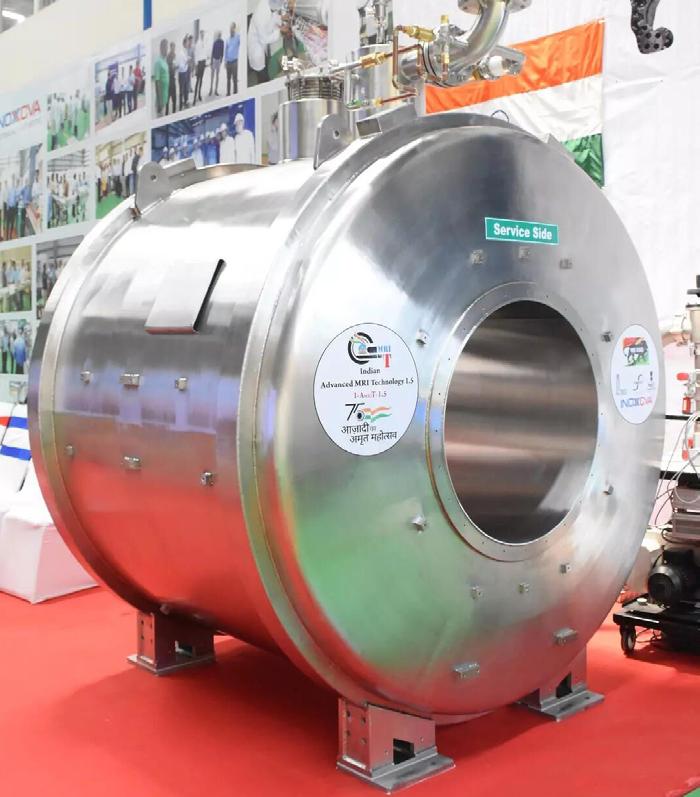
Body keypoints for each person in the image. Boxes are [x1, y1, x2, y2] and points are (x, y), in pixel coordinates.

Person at [248, 1, 282, 85]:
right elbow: (264, 39)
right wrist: (280, 31)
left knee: (268, 66)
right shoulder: (261, 15)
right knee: (263, 77)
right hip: (256, 49)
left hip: (262, 43)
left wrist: (281, 21)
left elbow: (275, 15)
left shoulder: (270, 4)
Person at [153, 39, 170, 117]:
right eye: (165, 47)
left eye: (167, 47)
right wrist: (159, 102)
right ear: (161, 48)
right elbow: (157, 83)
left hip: (164, 97)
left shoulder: (164, 61)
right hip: (160, 101)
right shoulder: (158, 62)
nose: (167, 50)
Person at [225, 22, 241, 95]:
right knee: (228, 79)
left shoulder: (238, 37)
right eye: (230, 28)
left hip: (234, 62)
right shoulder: (227, 39)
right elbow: (226, 50)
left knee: (234, 79)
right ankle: (228, 93)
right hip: (228, 62)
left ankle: (235, 93)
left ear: (234, 29)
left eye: (232, 28)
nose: (230, 30)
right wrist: (225, 61)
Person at [194, 29, 207, 105]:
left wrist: (205, 61)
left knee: (201, 80)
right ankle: (195, 97)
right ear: (200, 34)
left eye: (203, 33)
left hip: (203, 62)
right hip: (199, 64)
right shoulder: (198, 43)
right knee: (197, 81)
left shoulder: (203, 42)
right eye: (201, 33)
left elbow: (204, 52)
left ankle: (199, 95)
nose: (203, 35)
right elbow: (196, 54)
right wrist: (196, 66)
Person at [209, 30, 224, 97]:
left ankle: (216, 90)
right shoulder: (215, 42)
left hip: (218, 60)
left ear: (221, 35)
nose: (219, 36)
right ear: (218, 35)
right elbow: (212, 52)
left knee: (217, 76)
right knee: (212, 76)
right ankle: (211, 89)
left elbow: (222, 51)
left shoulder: (222, 42)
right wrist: (211, 62)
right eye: (219, 35)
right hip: (214, 60)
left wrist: (221, 60)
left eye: (220, 35)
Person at [178, 37, 190, 110]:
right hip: (182, 74)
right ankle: (180, 105)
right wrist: (187, 62)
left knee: (186, 88)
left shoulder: (185, 51)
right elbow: (181, 66)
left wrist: (187, 60)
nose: (188, 43)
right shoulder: (181, 53)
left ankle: (186, 102)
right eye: (187, 42)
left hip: (185, 72)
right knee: (181, 90)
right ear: (184, 43)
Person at [166, 41, 177, 115]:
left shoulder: (174, 55)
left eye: (174, 47)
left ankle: (174, 111)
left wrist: (176, 67)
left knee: (174, 97)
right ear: (171, 47)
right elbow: (170, 67)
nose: (174, 48)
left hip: (173, 78)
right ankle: (167, 112)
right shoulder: (169, 56)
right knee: (168, 97)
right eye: (173, 47)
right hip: (169, 79)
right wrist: (174, 67)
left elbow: (174, 66)